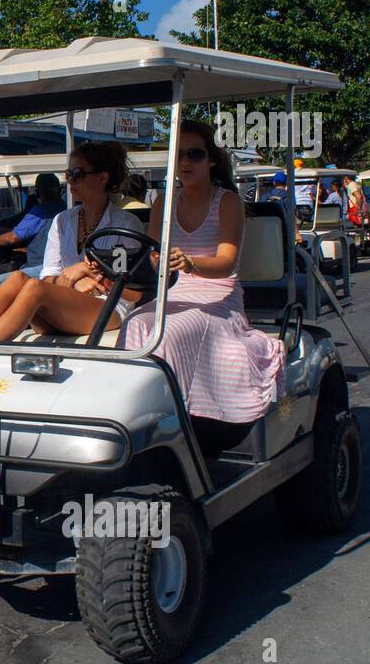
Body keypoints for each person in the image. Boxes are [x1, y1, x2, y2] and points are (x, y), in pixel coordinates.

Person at [117, 120, 285, 449]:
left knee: (173, 331)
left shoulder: (227, 202)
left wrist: (190, 262)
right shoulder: (164, 202)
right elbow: (153, 257)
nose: (186, 163)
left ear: (211, 160)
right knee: (137, 325)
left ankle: (179, 425)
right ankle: (137, 420)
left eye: (195, 154)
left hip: (217, 295)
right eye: (179, 155)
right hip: (174, 292)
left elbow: (226, 262)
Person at [0, 141, 142, 344]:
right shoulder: (63, 221)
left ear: (102, 178)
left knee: (33, 287)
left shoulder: (126, 224)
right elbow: (50, 275)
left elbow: (134, 293)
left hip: (107, 309)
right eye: (68, 173)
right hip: (60, 308)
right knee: (19, 278)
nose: (70, 180)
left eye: (78, 173)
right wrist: (73, 278)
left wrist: (87, 277)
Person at [0, 172, 66, 295]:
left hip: (43, 266)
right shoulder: (64, 207)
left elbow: (12, 237)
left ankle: (1, 314)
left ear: (38, 192)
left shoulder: (40, 211)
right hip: (56, 264)